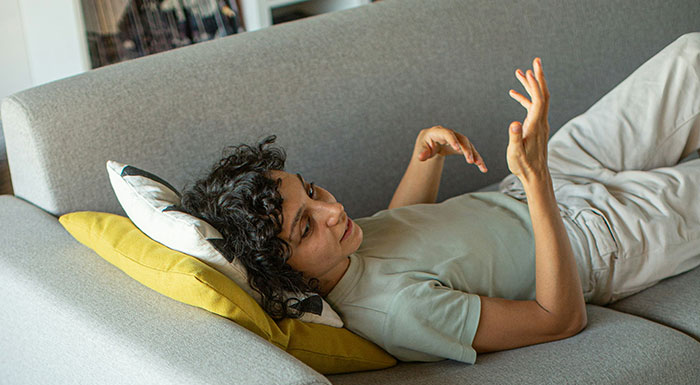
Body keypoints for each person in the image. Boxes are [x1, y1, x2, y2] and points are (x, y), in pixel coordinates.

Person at [180, 34, 700, 364]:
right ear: (285, 271)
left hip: (538, 182)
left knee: (690, 58)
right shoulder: (399, 314)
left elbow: (406, 229)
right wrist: (537, 179)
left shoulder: (344, 250)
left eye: (312, 192)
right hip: (595, 239)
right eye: (306, 227)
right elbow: (558, 320)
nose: (333, 210)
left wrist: (423, 156)